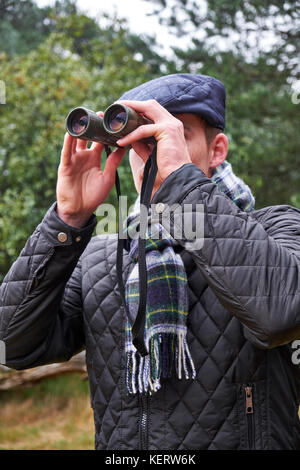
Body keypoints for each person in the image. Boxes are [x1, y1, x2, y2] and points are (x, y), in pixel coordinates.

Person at [0, 73, 300, 450]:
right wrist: (66, 221)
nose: (156, 153)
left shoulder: (276, 228)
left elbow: (280, 315)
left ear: (218, 149)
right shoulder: (101, 256)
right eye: (143, 140)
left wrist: (181, 185)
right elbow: (11, 345)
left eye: (176, 136)